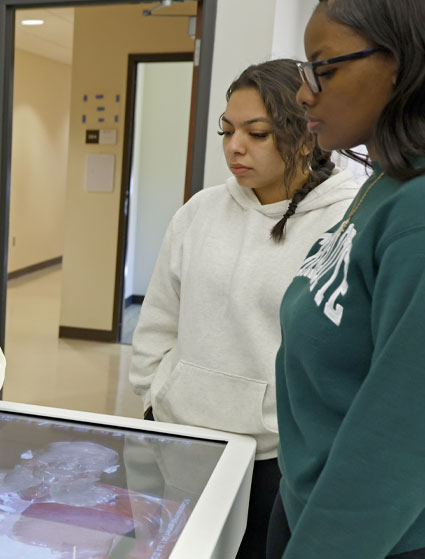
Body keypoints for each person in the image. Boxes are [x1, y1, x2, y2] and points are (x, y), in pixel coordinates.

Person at [129, 58, 359, 559]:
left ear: (304, 133)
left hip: (274, 458)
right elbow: (159, 319)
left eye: (256, 133)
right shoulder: (200, 212)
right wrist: (156, 395)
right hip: (180, 440)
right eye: (227, 130)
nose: (235, 147)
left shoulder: (347, 220)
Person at [268, 1, 425, 557]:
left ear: (403, 63)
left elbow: (401, 434)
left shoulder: (417, 211)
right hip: (305, 499)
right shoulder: (384, 184)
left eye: (324, 68)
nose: (305, 92)